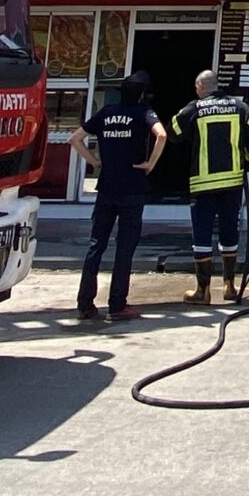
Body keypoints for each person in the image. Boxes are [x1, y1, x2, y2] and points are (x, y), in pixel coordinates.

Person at [69, 72, 165, 324]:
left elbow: (75, 139)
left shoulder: (107, 112)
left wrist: (94, 162)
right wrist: (150, 164)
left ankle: (85, 303)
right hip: (132, 188)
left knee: (95, 245)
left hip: (107, 188)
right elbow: (162, 135)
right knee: (125, 248)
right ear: (142, 93)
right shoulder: (143, 112)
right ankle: (117, 304)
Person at [170, 68, 249, 305]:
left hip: (203, 184)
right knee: (229, 231)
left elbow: (174, 132)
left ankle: (203, 291)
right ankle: (230, 287)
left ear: (200, 87)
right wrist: (248, 164)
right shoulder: (239, 107)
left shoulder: (195, 108)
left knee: (202, 235)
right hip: (232, 182)